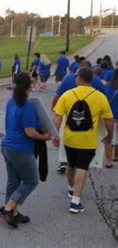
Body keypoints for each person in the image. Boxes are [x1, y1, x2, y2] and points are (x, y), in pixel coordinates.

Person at [53, 67, 114, 214]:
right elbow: (109, 120)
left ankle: (71, 189)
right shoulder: (99, 97)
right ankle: (75, 202)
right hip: (88, 140)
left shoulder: (67, 95)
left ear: (79, 78)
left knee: (71, 164)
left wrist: (55, 135)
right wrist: (109, 136)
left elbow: (58, 118)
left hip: (69, 138)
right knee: (82, 167)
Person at [0, 72, 52, 228]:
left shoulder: (11, 101)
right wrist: (44, 138)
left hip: (7, 146)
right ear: (29, 85)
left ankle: (13, 213)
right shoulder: (27, 106)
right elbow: (29, 132)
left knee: (13, 181)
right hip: (20, 149)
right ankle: (7, 209)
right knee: (31, 181)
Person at [51, 60, 106, 173]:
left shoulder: (68, 79)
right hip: (90, 117)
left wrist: (54, 107)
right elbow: (104, 98)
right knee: (85, 143)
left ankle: (64, 162)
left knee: (65, 138)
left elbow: (57, 95)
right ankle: (82, 164)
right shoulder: (96, 81)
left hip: (68, 114)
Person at [104, 68, 118, 168]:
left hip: (110, 116)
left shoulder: (107, 87)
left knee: (109, 138)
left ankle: (109, 161)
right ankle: (116, 155)